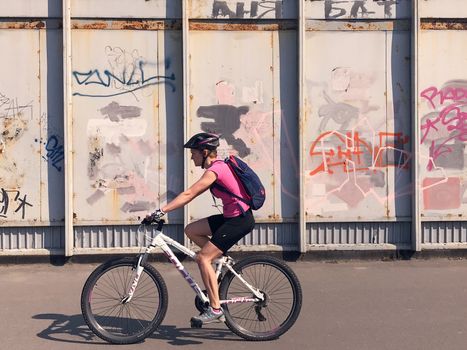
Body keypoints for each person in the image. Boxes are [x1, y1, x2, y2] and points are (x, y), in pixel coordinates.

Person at [146, 132, 255, 325]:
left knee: (203, 257)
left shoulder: (216, 170)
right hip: (230, 217)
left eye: (194, 153)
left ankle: (215, 309)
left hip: (239, 220)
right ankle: (219, 259)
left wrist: (160, 211)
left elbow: (189, 194)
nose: (191, 157)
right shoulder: (216, 168)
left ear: (205, 152)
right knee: (191, 230)